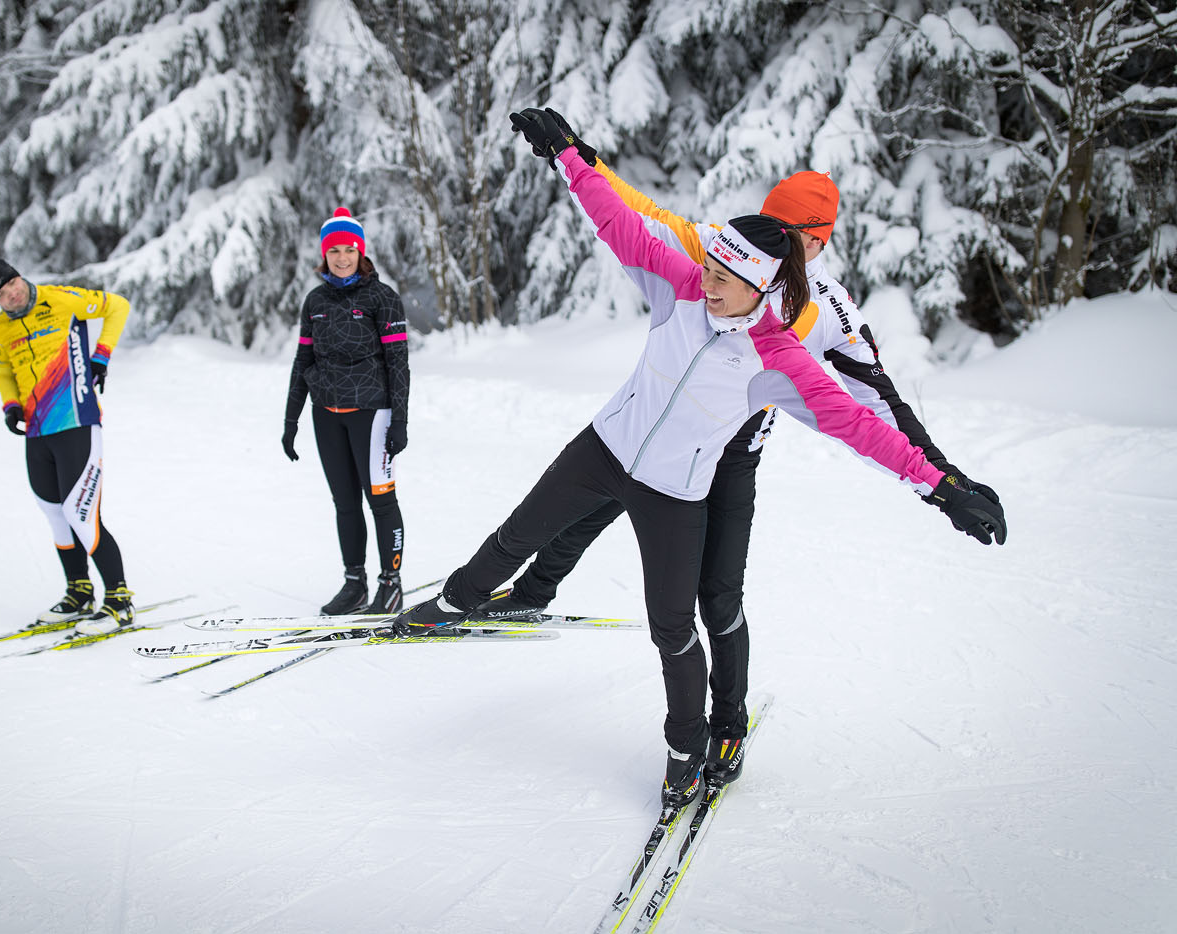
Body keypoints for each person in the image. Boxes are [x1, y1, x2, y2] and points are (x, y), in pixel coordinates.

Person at [393, 109, 1006, 812]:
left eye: (794, 235)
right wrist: (572, 155)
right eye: (718, 261)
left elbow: (868, 416)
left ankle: (720, 729)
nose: (712, 279)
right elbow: (631, 218)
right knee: (552, 521)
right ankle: (494, 596)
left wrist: (943, 483)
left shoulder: (808, 330)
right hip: (623, 442)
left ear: (813, 245)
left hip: (715, 465)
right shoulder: (705, 266)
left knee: (710, 605)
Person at [0, 256, 135, 636]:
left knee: (81, 513)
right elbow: (4, 371)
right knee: (55, 513)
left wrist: (102, 355)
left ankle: (120, 601)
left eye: (11, 283)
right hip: (37, 430)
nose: (12, 294)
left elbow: (118, 306)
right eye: (0, 294)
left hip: (76, 421)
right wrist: (10, 405)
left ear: (18, 275)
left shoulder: (61, 300)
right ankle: (79, 593)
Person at [284, 208, 410, 615]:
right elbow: (303, 362)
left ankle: (390, 585)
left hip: (372, 414)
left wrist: (400, 420)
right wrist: (290, 419)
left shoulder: (382, 298)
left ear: (361, 253)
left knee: (381, 501)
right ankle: (354, 584)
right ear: (325, 254)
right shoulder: (315, 301)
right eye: (334, 251)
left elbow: (398, 363)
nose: (342, 258)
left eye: (349, 250)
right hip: (326, 414)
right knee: (345, 503)